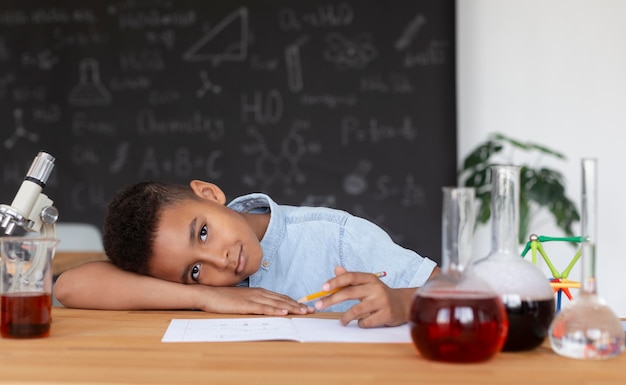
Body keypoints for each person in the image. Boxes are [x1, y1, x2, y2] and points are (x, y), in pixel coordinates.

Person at [54, 180, 439, 328]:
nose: (219, 262)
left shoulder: (336, 235)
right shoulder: (205, 286)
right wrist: (207, 295)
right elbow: (71, 286)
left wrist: (404, 302)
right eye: (194, 271)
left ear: (210, 194)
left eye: (203, 233)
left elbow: (459, 286)